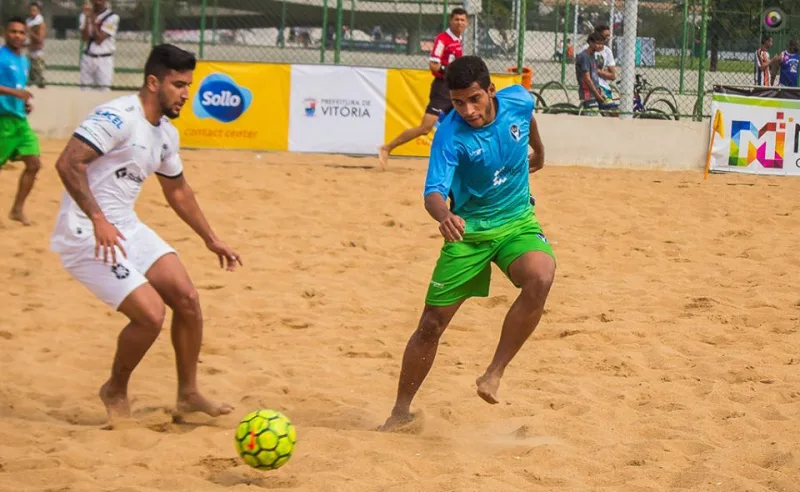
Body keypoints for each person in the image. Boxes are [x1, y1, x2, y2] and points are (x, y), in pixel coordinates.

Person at [50, 44, 242, 422]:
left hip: (125, 225)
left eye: (189, 85)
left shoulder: (166, 134)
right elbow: (68, 162)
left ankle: (188, 395)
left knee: (187, 298)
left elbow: (178, 191)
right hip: (85, 231)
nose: (186, 94)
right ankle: (115, 389)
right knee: (151, 316)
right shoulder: (118, 117)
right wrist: (98, 217)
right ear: (153, 82)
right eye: (178, 85)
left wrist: (210, 238)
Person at [379, 56, 556, 431]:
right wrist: (444, 216)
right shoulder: (449, 134)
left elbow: (528, 118)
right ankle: (400, 412)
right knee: (430, 324)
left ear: (491, 91)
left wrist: (538, 151)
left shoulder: (518, 100)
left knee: (540, 276)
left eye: (474, 99)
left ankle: (493, 373)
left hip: (516, 222)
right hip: (467, 231)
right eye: (459, 102)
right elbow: (432, 193)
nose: (468, 110)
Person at [378, 8, 468, 169]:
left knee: (461, 123)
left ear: (466, 22)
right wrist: (450, 72)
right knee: (425, 128)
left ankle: (458, 161)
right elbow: (434, 65)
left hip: (454, 88)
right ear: (450, 21)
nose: (459, 22)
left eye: (462, 20)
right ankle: (387, 147)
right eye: (456, 19)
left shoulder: (459, 39)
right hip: (442, 88)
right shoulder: (443, 39)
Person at [0, 16, 41, 226]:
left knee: (34, 164)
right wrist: (15, 93)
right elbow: (12, 90)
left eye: (21, 32)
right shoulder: (1, 56)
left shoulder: (24, 61)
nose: (17, 35)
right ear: (5, 33)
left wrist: (24, 104)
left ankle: (17, 209)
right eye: (13, 31)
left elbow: (18, 90)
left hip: (20, 121)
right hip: (2, 121)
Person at [79, 0, 119, 91]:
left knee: (103, 91)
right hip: (88, 57)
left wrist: (92, 19)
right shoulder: (84, 15)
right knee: (84, 90)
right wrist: (87, 18)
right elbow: (84, 38)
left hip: (104, 59)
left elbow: (99, 39)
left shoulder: (112, 17)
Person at [576, 31, 612, 114]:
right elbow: (587, 79)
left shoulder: (593, 56)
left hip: (595, 93)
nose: (600, 46)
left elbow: (594, 77)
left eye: (602, 44)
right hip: (588, 94)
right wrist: (597, 95)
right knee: (592, 118)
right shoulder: (584, 57)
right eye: (598, 44)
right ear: (590, 43)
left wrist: (600, 91)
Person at [582, 25, 616, 101]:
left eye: (609, 35)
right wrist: (604, 72)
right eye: (606, 35)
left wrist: (598, 71)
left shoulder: (608, 51)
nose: (608, 38)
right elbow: (585, 71)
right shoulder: (587, 49)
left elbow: (613, 76)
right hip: (590, 86)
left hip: (604, 87)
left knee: (611, 110)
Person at [26, 1, 47, 88]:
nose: (32, 12)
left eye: (34, 10)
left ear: (38, 11)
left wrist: (30, 31)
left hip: (37, 53)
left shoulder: (40, 23)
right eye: (31, 10)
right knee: (29, 78)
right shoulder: (29, 21)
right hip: (30, 52)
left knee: (40, 80)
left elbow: (40, 39)